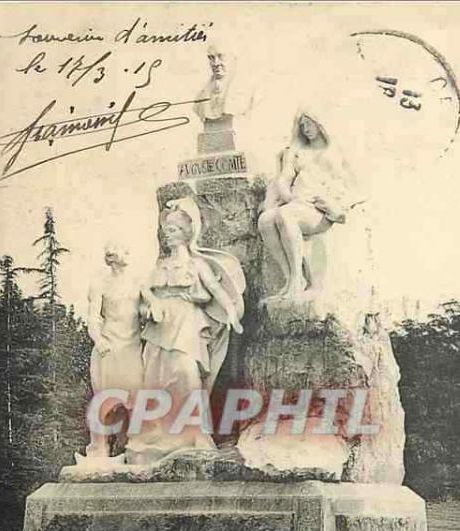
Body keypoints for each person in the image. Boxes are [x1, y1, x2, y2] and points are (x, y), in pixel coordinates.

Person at [126, 197, 245, 464]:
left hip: (187, 325)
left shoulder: (197, 265)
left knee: (186, 375)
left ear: (186, 233)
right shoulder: (159, 267)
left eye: (174, 230)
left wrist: (233, 316)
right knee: (156, 379)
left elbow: (218, 292)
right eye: (166, 230)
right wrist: (150, 306)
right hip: (159, 329)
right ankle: (155, 438)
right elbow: (144, 296)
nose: (168, 235)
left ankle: (195, 435)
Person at [258, 109, 357, 300]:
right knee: (265, 220)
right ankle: (291, 279)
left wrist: (337, 206)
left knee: (286, 215)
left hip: (320, 209)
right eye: (302, 125)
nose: (306, 129)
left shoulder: (336, 151)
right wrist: (289, 197)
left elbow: (358, 186)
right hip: (298, 203)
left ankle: (297, 279)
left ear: (320, 123)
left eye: (309, 124)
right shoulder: (297, 153)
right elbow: (283, 179)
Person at [84, 243, 144, 459]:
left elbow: (148, 305)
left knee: (136, 399)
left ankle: (136, 447)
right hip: (109, 347)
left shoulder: (138, 281)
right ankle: (98, 450)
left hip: (133, 347)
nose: (127, 253)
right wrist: (98, 339)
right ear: (110, 257)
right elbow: (93, 317)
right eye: (122, 249)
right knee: (105, 401)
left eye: (128, 250)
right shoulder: (100, 283)